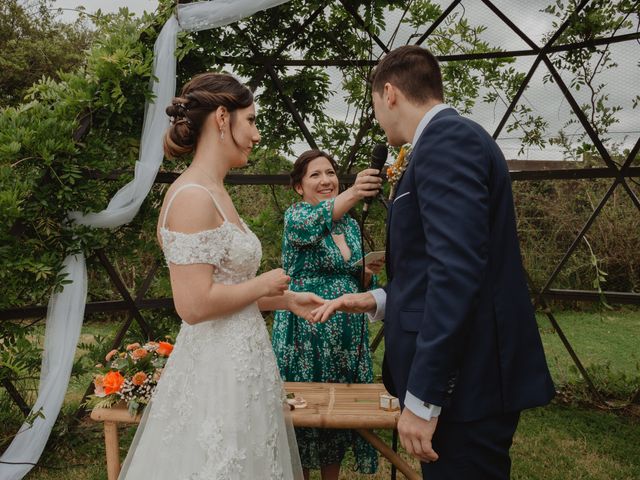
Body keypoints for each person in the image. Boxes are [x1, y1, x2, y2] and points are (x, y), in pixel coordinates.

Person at [311, 45, 555, 479]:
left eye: (373, 105)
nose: (378, 117)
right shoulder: (443, 143)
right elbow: (434, 269)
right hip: (467, 385)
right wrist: (375, 301)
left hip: (466, 388)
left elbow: (455, 273)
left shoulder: (447, 141)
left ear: (389, 93)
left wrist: (424, 398)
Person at [118, 72, 321, 479]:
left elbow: (226, 293)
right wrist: (263, 282)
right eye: (252, 121)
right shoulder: (193, 197)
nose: (257, 134)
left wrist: (282, 300)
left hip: (243, 365)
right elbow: (193, 306)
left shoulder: (218, 191)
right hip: (216, 374)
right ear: (223, 118)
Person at [271, 149, 383, 480]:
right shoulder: (298, 217)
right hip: (304, 332)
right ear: (298, 186)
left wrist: (366, 273)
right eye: (316, 175)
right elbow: (315, 223)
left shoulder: (349, 225)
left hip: (346, 337)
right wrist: (355, 191)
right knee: (304, 414)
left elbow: (355, 276)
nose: (326, 180)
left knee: (338, 417)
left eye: (331, 173)